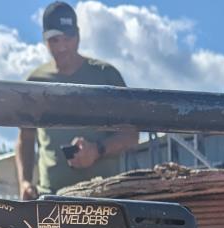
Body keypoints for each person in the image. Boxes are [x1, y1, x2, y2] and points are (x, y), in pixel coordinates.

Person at [16, 2, 138, 199]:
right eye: (55, 40)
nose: (62, 46)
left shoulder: (106, 76)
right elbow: (26, 138)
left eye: (68, 38)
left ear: (78, 36)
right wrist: (25, 181)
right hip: (52, 197)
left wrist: (97, 150)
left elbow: (131, 135)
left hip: (103, 196)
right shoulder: (34, 82)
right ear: (45, 40)